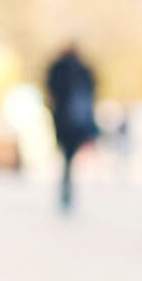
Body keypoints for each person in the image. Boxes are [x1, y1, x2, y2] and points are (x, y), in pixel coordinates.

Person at [44, 44, 98, 210]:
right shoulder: (81, 70)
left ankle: (66, 187)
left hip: (64, 120)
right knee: (69, 156)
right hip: (73, 121)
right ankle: (67, 187)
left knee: (67, 156)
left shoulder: (61, 68)